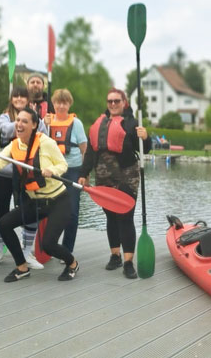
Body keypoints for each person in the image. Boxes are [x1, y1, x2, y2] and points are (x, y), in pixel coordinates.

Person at [0, 107, 80, 282]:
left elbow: (63, 165)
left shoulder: (46, 142)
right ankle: (22, 267)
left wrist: (51, 170)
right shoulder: (13, 146)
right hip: (36, 201)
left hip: (58, 200)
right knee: (4, 224)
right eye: (18, 120)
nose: (19, 124)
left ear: (34, 125)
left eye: (24, 121)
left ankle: (72, 263)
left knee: (48, 245)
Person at [79, 88, 151, 279]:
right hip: (103, 178)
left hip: (127, 176)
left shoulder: (132, 124)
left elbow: (146, 149)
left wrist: (146, 137)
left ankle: (128, 262)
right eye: (110, 101)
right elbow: (91, 153)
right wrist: (84, 173)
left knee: (125, 217)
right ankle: (115, 255)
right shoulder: (99, 123)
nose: (112, 104)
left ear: (124, 102)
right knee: (110, 217)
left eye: (116, 101)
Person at [0, 86, 48, 268]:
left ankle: (27, 252)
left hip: (26, 174)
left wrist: (32, 119)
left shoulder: (36, 118)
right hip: (4, 174)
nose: (19, 98)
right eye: (16, 96)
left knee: (29, 213)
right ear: (11, 98)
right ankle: (0, 249)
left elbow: (42, 134)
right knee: (2, 213)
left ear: (28, 99)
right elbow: (6, 131)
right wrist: (24, 121)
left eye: (23, 96)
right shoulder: (4, 116)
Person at [44, 89, 87, 254]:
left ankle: (67, 249)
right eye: (58, 102)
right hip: (53, 172)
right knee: (51, 209)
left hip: (72, 170)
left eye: (64, 102)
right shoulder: (46, 123)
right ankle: (50, 246)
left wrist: (84, 173)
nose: (61, 106)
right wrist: (44, 125)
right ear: (53, 104)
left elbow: (84, 149)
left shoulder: (76, 123)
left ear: (69, 104)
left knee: (72, 212)